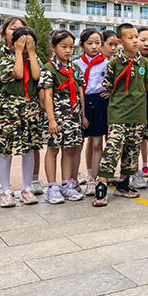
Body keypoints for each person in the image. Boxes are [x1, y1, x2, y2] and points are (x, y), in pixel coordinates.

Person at [92, 24, 148, 206]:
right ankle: (101, 185)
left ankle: (124, 183)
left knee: (132, 151)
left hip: (138, 114)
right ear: (120, 42)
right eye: (130, 38)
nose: (135, 41)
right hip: (119, 114)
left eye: (136, 37)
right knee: (113, 148)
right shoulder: (115, 63)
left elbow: (146, 86)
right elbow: (109, 86)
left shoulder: (145, 63)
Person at [0, 26, 43, 207]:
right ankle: (6, 190)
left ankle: (26, 188)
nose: (26, 45)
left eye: (30, 42)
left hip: (31, 111)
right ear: (13, 44)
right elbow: (18, 74)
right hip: (10, 111)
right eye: (22, 42)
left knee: (29, 150)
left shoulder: (36, 60)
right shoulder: (5, 59)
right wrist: (19, 53)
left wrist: (32, 54)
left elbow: (36, 76)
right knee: (6, 150)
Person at [41, 30, 87, 203]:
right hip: (57, 117)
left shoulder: (74, 68)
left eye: (71, 47)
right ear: (53, 47)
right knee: (53, 150)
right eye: (63, 47)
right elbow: (47, 96)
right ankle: (52, 187)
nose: (68, 51)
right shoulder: (50, 68)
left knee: (69, 149)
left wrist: (82, 115)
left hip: (73, 116)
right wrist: (51, 119)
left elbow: (81, 91)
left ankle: (67, 184)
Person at [74, 29, 108, 196]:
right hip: (81, 103)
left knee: (96, 143)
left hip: (99, 102)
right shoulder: (76, 64)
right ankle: (73, 178)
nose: (94, 47)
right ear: (82, 45)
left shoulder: (107, 63)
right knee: (77, 144)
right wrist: (82, 113)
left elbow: (113, 83)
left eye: (97, 43)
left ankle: (92, 179)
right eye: (90, 43)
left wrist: (110, 91)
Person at [134, 26, 148, 189]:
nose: (146, 44)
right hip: (133, 108)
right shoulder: (127, 60)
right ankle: (134, 172)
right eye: (143, 40)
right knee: (134, 141)